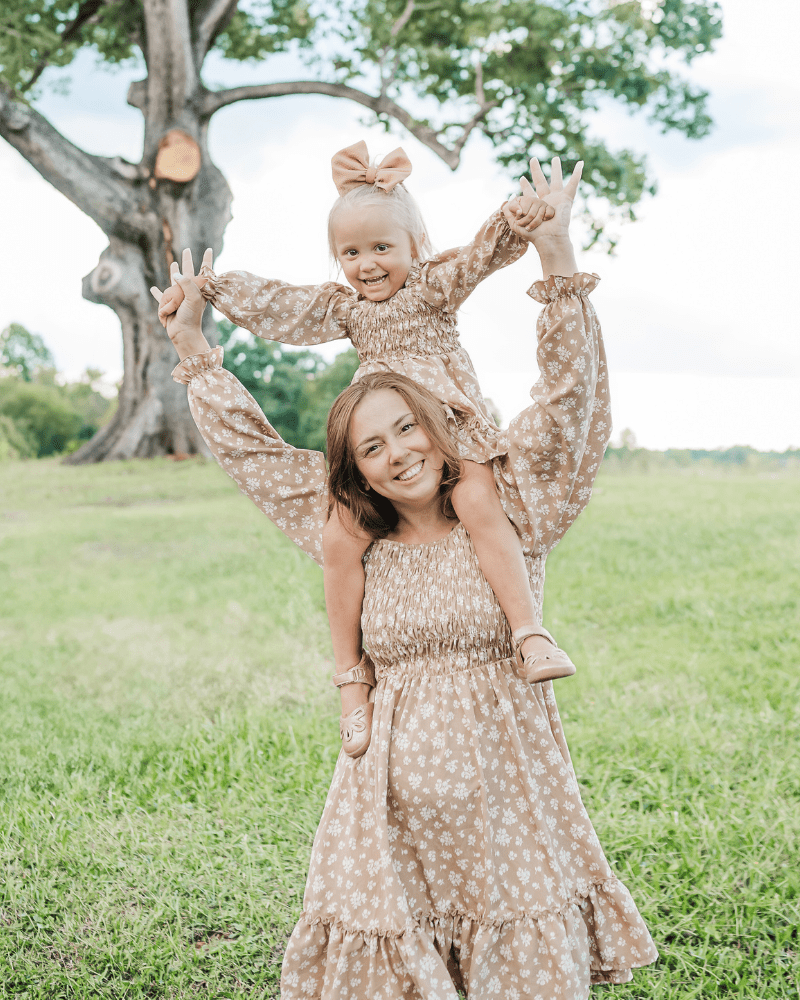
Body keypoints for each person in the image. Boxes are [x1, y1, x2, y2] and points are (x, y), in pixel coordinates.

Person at [152, 155, 659, 997]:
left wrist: (554, 253)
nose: (396, 456)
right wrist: (195, 341)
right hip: (387, 818)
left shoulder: (512, 503)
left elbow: (569, 397)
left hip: (508, 816)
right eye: (370, 447)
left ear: (437, 425)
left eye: (406, 431)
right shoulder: (353, 525)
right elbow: (254, 444)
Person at [154, 142, 581, 762]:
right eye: (350, 253)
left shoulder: (433, 286)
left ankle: (530, 633)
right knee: (340, 535)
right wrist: (214, 291)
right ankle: (352, 686)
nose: (367, 264)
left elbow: (478, 258)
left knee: (476, 498)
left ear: (414, 246)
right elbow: (285, 307)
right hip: (376, 423)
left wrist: (516, 220)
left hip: (450, 429)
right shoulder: (345, 309)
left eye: (382, 248)